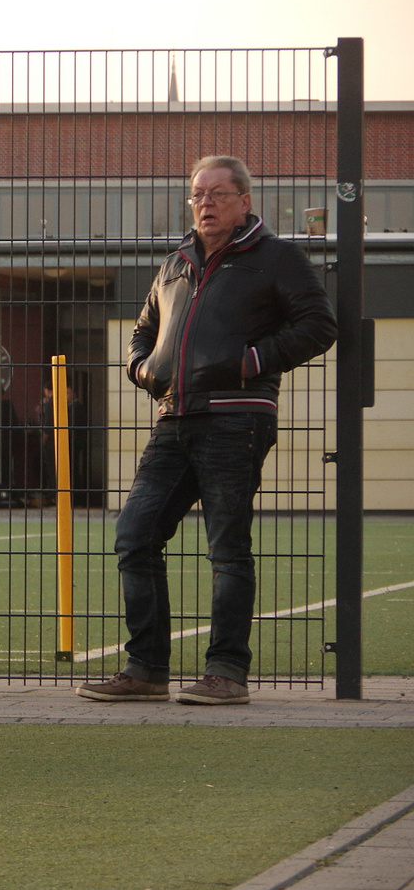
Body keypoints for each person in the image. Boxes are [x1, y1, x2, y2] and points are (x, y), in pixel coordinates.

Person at [79, 156, 337, 705]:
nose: (206, 203)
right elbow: (144, 330)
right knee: (135, 535)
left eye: (219, 194)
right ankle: (146, 671)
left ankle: (226, 672)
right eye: (198, 194)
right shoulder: (175, 263)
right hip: (174, 417)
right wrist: (143, 369)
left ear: (246, 202)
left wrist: (249, 362)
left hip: (237, 417)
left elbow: (319, 326)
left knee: (226, 547)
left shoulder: (276, 258)